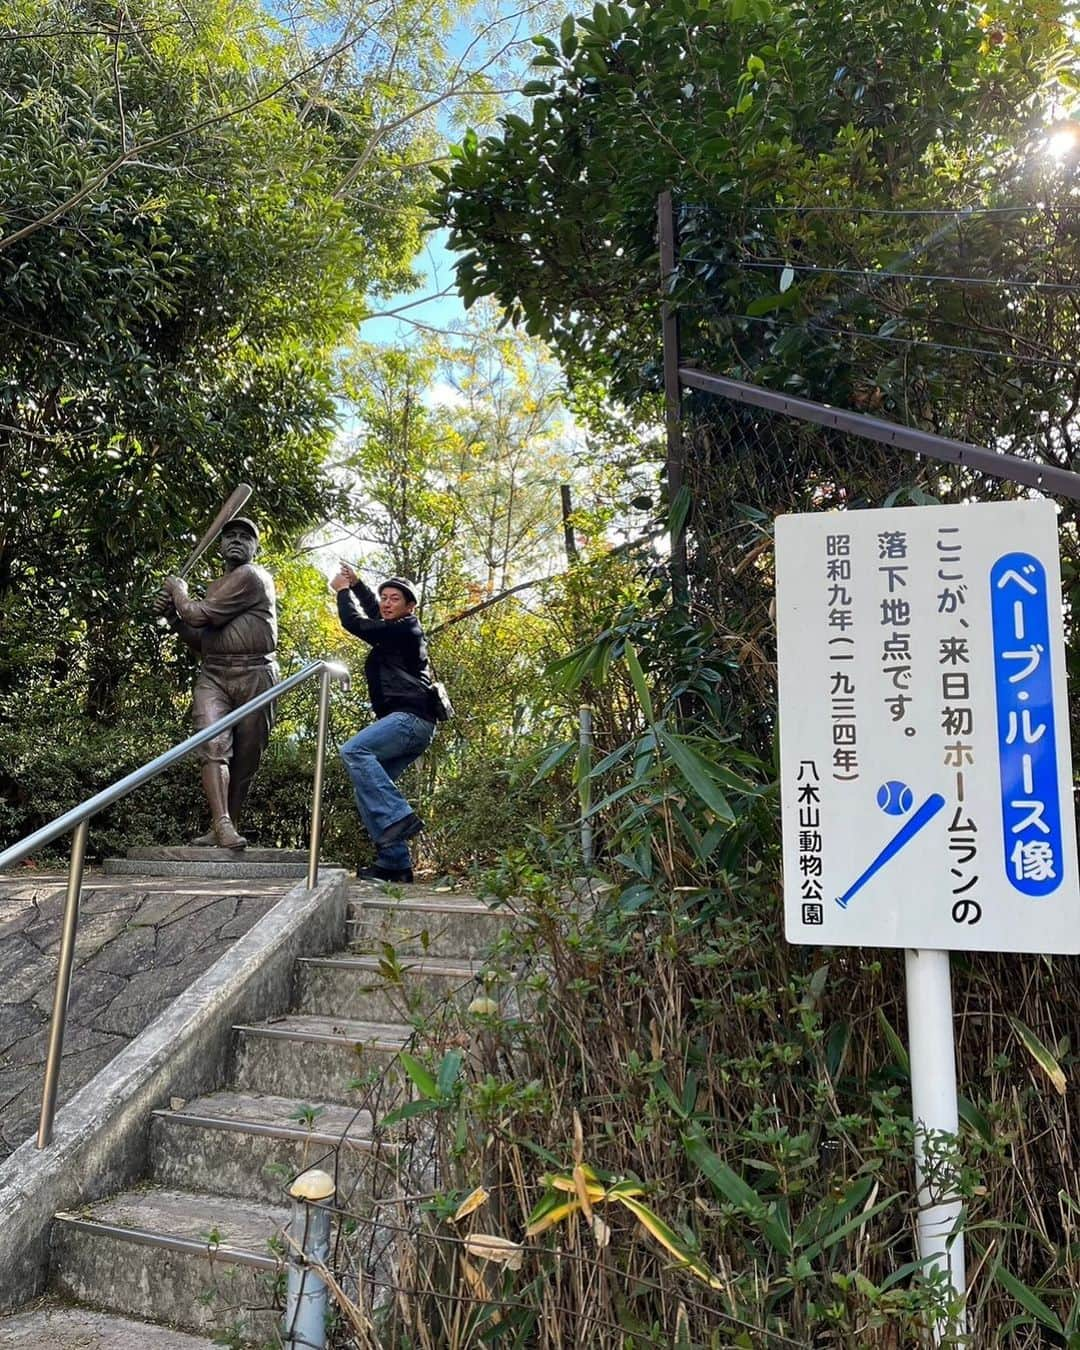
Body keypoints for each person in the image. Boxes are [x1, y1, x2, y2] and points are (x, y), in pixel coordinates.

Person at [153, 517, 279, 849]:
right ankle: (222, 824)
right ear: (220, 546)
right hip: (214, 674)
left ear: (255, 548)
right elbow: (201, 639)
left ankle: (228, 823)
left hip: (255, 673)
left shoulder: (252, 577)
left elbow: (197, 615)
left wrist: (178, 594)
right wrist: (171, 617)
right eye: (230, 536)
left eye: (245, 537)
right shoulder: (216, 588)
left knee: (246, 758)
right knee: (213, 746)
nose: (237, 540)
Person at [331, 565, 436, 883]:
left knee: (354, 752)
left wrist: (342, 591)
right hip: (408, 724)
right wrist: (360, 585)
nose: (387, 603)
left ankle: (400, 817)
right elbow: (376, 615)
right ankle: (396, 864)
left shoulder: (406, 630)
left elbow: (357, 623)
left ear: (410, 607)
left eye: (395, 599)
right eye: (384, 598)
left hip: (410, 719)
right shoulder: (395, 628)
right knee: (368, 787)